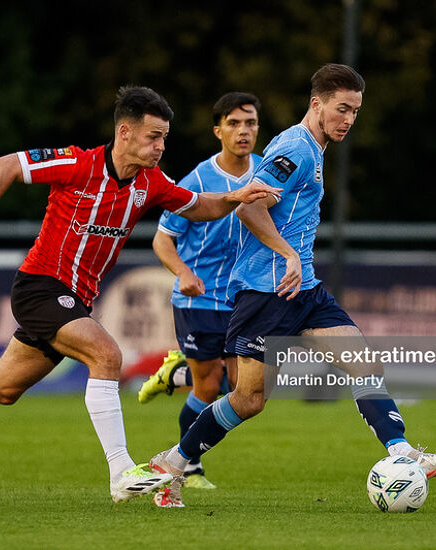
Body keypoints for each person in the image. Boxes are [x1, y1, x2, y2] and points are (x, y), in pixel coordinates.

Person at [0, 86, 282, 503]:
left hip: (75, 299)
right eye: (153, 137)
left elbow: (198, 207)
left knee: (2, 388)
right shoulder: (78, 164)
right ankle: (121, 472)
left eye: (164, 138)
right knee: (107, 355)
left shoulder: (151, 183)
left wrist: (234, 197)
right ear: (125, 133)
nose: (160, 147)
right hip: (40, 286)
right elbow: (3, 165)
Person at [148, 64, 436, 508]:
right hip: (266, 293)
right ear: (316, 103)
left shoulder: (315, 148)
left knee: (364, 364)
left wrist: (296, 262)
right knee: (248, 399)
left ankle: (404, 453)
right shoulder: (294, 148)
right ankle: (172, 464)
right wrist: (288, 253)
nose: (348, 120)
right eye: (342, 109)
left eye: (355, 111)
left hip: (304, 291)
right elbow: (248, 209)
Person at [138, 92, 262, 495]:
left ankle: (177, 373)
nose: (243, 131)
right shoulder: (197, 180)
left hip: (245, 298)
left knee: (247, 391)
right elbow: (162, 240)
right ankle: (187, 465)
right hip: (200, 299)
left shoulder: (267, 174)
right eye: (234, 123)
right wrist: (183, 272)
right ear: (218, 130)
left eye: (251, 123)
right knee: (209, 387)